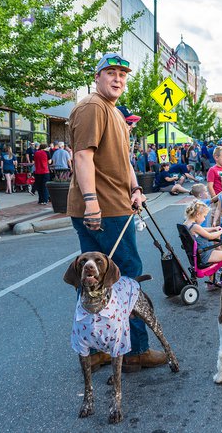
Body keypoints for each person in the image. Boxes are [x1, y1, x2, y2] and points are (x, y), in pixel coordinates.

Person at [67, 52, 167, 372]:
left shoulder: (113, 112)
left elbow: (122, 163)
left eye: (123, 74)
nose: (118, 78)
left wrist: (135, 189)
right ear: (96, 77)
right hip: (105, 210)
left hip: (117, 205)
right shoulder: (93, 107)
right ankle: (135, 350)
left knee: (100, 283)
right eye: (111, 72)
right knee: (126, 279)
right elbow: (82, 157)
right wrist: (91, 202)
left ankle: (98, 349)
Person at [182, 200, 222, 290]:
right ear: (197, 214)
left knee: (217, 255)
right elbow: (210, 236)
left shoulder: (186, 224)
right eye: (204, 216)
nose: (205, 219)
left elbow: (202, 229)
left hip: (198, 254)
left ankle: (211, 283)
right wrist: (221, 231)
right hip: (204, 255)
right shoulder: (195, 226)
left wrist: (214, 228)